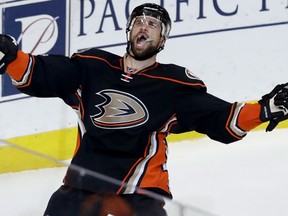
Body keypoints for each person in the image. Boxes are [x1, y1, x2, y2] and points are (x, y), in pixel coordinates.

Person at [0, 3, 288, 216]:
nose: (144, 27)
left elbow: (220, 118)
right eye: (139, 21)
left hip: (140, 194)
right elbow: (43, 73)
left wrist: (264, 109)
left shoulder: (173, 84)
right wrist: (13, 57)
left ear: (162, 41)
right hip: (82, 186)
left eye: (153, 25)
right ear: (129, 30)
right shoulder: (92, 67)